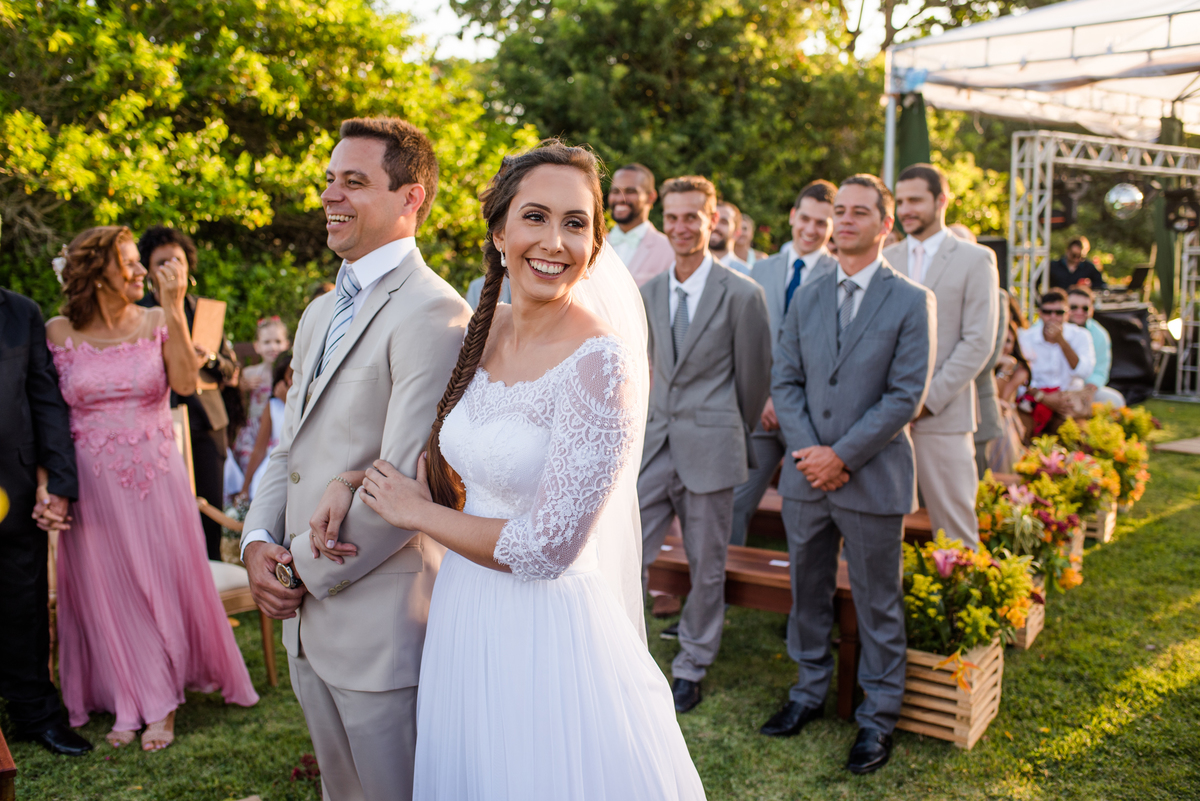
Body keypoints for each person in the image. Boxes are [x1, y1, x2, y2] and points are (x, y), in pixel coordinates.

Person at [307, 140, 707, 800]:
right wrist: (349, 482)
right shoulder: (484, 328)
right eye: (535, 217)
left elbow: (548, 547)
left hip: (545, 634)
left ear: (595, 244)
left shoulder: (601, 364)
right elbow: (443, 452)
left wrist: (418, 515)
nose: (554, 241)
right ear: (499, 233)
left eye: (575, 223)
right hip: (463, 612)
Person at [240, 117, 472, 801]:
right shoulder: (319, 313)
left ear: (411, 198)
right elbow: (291, 445)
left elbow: (404, 485)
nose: (329, 195)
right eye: (328, 179)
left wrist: (294, 572)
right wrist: (257, 540)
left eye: (354, 181)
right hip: (309, 618)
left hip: (378, 622)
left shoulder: (434, 314)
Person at [46, 225, 258, 751]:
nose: (142, 269)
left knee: (156, 582)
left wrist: (175, 305)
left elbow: (185, 384)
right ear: (96, 273)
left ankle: (161, 701)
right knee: (107, 590)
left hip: (154, 477)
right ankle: (125, 694)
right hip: (91, 484)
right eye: (128, 262)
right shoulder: (57, 332)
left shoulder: (158, 320)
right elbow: (46, 413)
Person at [766, 175, 935, 775]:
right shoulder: (808, 293)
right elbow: (785, 380)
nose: (844, 220)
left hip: (872, 476)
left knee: (877, 602)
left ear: (886, 225)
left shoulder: (911, 300)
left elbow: (905, 395)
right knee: (806, 592)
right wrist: (811, 451)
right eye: (839, 210)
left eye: (860, 212)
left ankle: (878, 716)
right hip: (806, 476)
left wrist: (841, 455)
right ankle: (808, 691)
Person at [638, 175, 772, 713]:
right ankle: (624, 654)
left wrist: (724, 429)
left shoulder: (743, 294)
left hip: (712, 447)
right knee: (625, 551)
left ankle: (692, 664)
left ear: (712, 220)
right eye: (671, 217)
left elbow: (753, 383)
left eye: (691, 217)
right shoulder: (649, 292)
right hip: (654, 446)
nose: (680, 227)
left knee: (706, 564)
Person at [885, 163, 998, 550]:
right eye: (901, 201)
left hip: (943, 415)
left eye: (915, 200)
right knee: (878, 528)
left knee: (956, 531)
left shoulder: (975, 259)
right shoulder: (886, 257)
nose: (905, 210)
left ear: (941, 200)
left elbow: (978, 342)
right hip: (884, 417)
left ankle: (962, 591)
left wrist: (924, 401)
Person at [0, 288, 93, 757]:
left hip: (14, 487)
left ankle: (35, 713)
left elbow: (45, 401)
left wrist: (58, 482)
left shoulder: (20, 312)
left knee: (24, 602)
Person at [732, 180, 838, 547]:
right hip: (761, 412)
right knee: (735, 502)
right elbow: (748, 341)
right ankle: (723, 578)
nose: (811, 229)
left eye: (821, 223)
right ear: (793, 216)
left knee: (805, 516)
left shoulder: (839, 275)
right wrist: (764, 397)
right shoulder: (760, 270)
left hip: (811, 418)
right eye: (805, 218)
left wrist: (788, 402)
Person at [137, 226, 239, 560]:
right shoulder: (138, 314)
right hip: (157, 424)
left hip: (207, 424)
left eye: (177, 261)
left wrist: (207, 358)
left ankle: (212, 577)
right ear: (148, 270)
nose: (171, 268)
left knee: (208, 512)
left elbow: (230, 369)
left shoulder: (206, 312)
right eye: (161, 262)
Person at [1017, 288, 1097, 434]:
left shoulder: (1081, 335)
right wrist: (1043, 397)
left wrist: (1061, 341)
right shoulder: (1026, 338)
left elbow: (1084, 372)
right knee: (1021, 430)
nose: (1053, 317)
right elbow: (1021, 379)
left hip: (1068, 403)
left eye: (1059, 312)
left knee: (1077, 435)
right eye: (1048, 312)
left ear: (1067, 314)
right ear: (1040, 313)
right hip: (1035, 400)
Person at [234, 317, 290, 472]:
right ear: (257, 346)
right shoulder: (250, 373)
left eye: (278, 341)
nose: (273, 347)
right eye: (267, 342)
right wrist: (243, 386)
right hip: (254, 431)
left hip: (277, 430)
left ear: (287, 344)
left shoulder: (289, 375)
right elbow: (238, 400)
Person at [606, 163, 675, 286]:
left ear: (651, 197)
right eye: (615, 191)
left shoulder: (669, 249)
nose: (620, 198)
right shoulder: (594, 245)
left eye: (630, 191)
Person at [236, 352, 291, 502]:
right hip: (274, 468)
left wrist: (289, 402)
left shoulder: (309, 406)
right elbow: (259, 449)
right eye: (290, 375)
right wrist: (245, 487)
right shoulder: (273, 406)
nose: (293, 380)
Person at [1068, 285, 1126, 408]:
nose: (1079, 311)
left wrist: (1089, 389)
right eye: (1073, 307)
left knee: (1116, 401)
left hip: (1085, 388)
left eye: (1085, 308)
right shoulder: (1052, 327)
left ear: (1092, 310)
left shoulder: (1099, 334)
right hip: (1056, 386)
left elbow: (1100, 371)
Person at [989, 323, 1030, 473]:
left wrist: (1005, 368)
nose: (1003, 345)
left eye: (1008, 341)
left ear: (1014, 345)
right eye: (999, 339)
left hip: (1005, 420)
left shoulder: (1020, 370)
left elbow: (999, 398)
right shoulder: (984, 364)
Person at [709, 201, 751, 274]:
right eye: (713, 220)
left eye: (724, 222)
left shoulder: (747, 273)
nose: (715, 226)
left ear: (736, 233)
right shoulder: (690, 267)